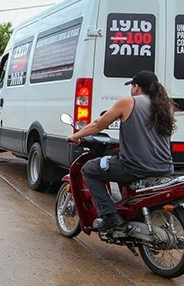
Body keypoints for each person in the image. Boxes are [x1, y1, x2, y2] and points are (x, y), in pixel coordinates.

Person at [66, 70, 176, 232]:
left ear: (137, 87)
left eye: (132, 86)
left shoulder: (128, 102)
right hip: (165, 168)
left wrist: (75, 136)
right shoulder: (165, 107)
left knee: (89, 169)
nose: (131, 89)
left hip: (135, 167)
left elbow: (99, 124)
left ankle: (110, 216)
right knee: (111, 164)